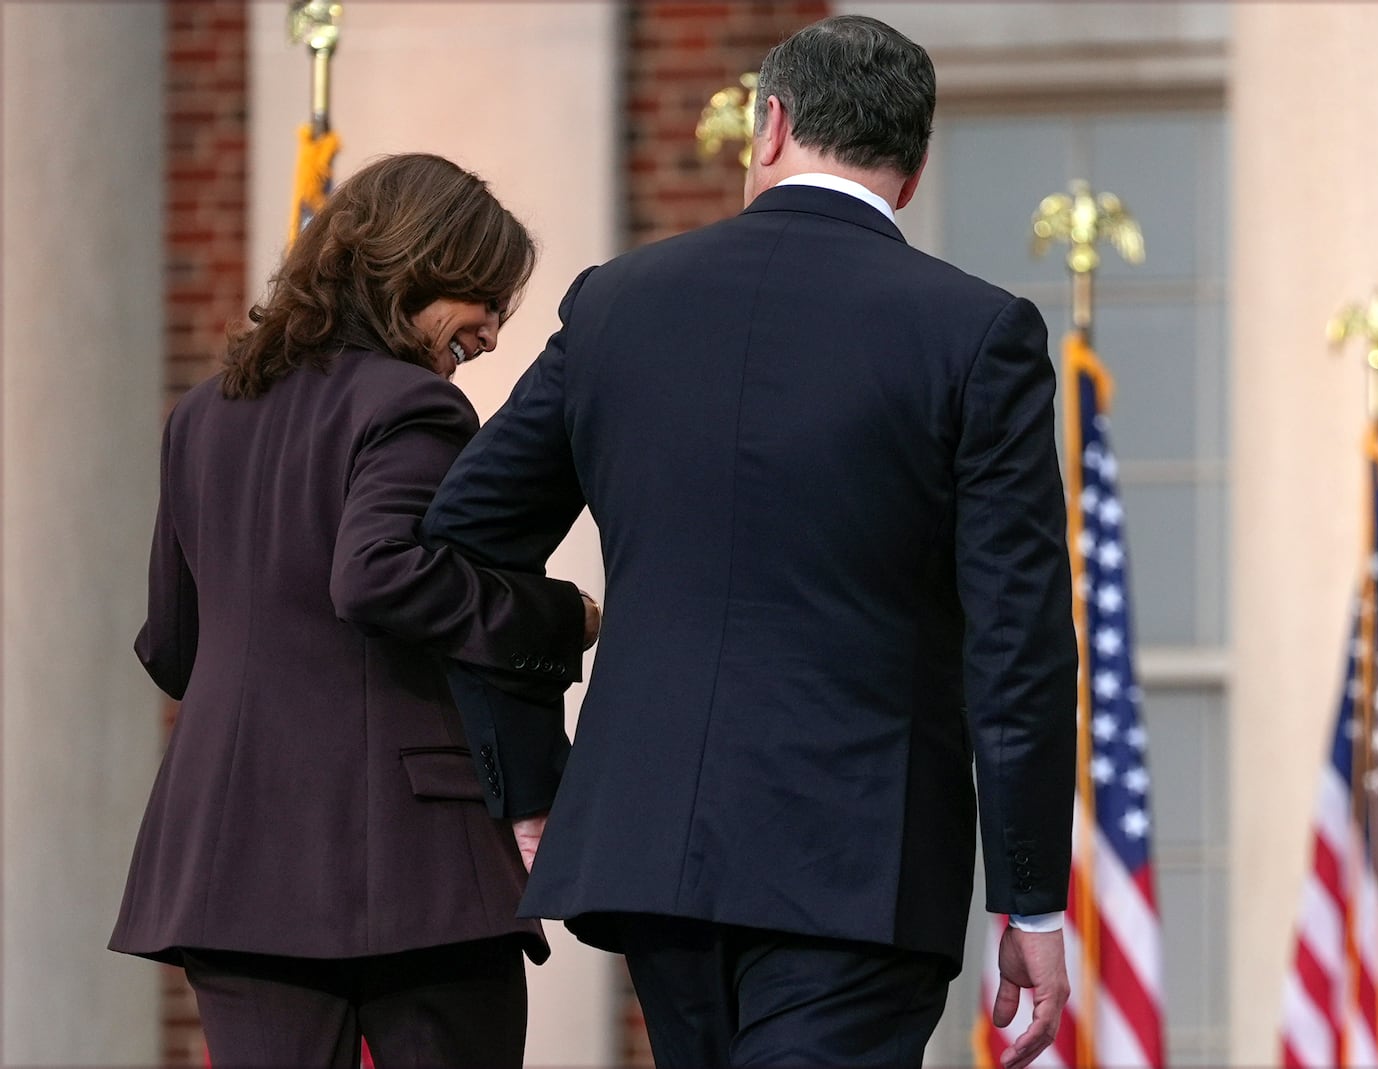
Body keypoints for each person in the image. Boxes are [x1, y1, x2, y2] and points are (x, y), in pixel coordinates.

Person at [424, 14, 1077, 1069]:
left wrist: (536, 780)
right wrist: (1031, 900)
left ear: (767, 128)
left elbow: (462, 543)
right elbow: (1019, 642)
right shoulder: (975, 332)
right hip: (860, 859)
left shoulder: (614, 307)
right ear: (909, 171)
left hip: (651, 847)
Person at [109, 152, 598, 1069]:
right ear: (414, 267)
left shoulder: (202, 414)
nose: (492, 334)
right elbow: (376, 573)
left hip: (229, 862)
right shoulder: (413, 404)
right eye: (484, 299)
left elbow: (174, 645)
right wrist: (557, 617)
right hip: (411, 872)